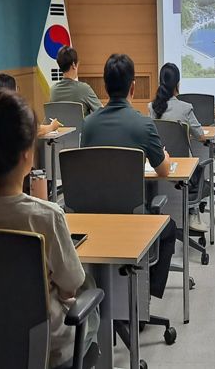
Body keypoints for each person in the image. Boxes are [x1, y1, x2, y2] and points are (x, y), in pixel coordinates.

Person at [0, 89, 98, 368]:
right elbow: (71, 284)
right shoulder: (47, 216)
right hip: (43, 349)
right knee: (90, 299)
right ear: (27, 154)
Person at [81, 54, 177, 298]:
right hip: (133, 221)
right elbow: (164, 171)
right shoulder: (143, 124)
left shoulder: (88, 124)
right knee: (170, 229)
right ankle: (146, 297)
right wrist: (163, 155)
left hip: (91, 219)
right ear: (133, 86)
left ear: (104, 86)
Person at [148, 62, 208, 233]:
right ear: (177, 84)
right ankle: (193, 212)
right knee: (200, 167)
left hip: (157, 165)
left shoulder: (151, 108)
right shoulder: (185, 108)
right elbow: (201, 136)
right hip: (181, 169)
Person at [0, 73, 61, 137]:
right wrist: (52, 126)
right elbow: (32, 131)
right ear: (11, 93)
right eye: (16, 88)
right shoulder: (12, 113)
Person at [50, 46, 103, 117]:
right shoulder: (84, 89)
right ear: (74, 65)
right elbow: (102, 113)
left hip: (60, 128)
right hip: (82, 128)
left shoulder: (53, 90)